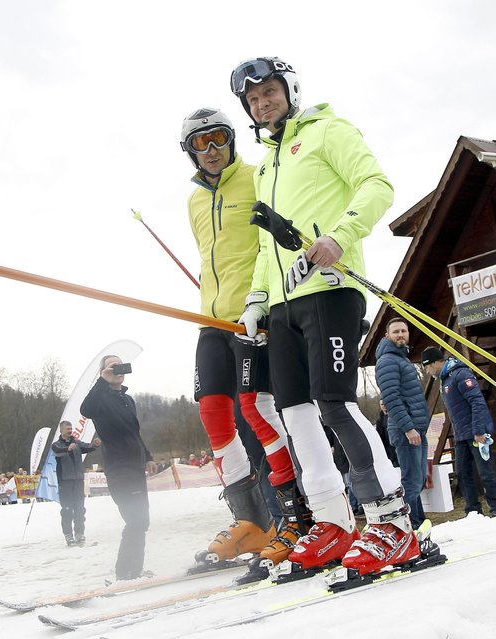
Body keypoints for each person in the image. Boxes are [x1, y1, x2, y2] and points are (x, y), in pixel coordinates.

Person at [231, 56, 422, 576]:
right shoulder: (267, 163)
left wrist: (342, 235)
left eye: (268, 91)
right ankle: (334, 523)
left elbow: (377, 185)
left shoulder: (326, 131)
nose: (261, 103)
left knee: (335, 404)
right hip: (282, 304)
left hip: (330, 290)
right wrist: (255, 300)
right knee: (294, 414)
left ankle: (393, 523)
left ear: (289, 89)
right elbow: (266, 251)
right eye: (252, 99)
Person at [181, 107, 312, 571]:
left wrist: (268, 301)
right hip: (209, 320)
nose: (212, 150)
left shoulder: (257, 178)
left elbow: (274, 245)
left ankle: (298, 515)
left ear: (233, 140)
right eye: (201, 143)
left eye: (219, 138)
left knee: (256, 409)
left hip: (251, 315)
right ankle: (250, 523)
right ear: (189, 152)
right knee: (213, 413)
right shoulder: (194, 200)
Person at [80, 355, 158, 580]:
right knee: (136, 520)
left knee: (142, 520)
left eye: (120, 365)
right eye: (112, 367)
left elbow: (134, 433)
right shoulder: (100, 399)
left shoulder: (128, 399)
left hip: (135, 466)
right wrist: (102, 380)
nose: (118, 369)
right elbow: (86, 409)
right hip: (119, 467)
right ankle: (125, 573)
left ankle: (135, 571)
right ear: (104, 371)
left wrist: (148, 457)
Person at [422, 347, 496, 517]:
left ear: (436, 362)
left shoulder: (460, 374)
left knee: (485, 472)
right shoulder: (444, 379)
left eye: (427, 367)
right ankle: (473, 509)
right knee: (463, 472)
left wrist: (479, 430)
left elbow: (477, 402)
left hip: (476, 433)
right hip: (460, 434)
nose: (428, 372)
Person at [375, 318, 430, 530]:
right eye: (396, 331)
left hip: (416, 428)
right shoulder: (388, 360)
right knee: (412, 481)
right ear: (387, 335)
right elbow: (392, 398)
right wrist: (408, 428)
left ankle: (418, 524)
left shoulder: (401, 359)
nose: (401, 335)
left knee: (417, 480)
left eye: (404, 331)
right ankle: (401, 527)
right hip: (406, 429)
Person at [51, 420, 98, 545]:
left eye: (71, 428)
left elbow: (87, 447)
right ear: (61, 430)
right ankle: (68, 534)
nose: (70, 430)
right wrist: (67, 448)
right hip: (65, 481)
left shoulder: (76, 442)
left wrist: (95, 445)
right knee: (67, 509)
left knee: (80, 508)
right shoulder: (56, 444)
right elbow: (56, 451)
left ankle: (79, 533)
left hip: (78, 480)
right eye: (67, 428)